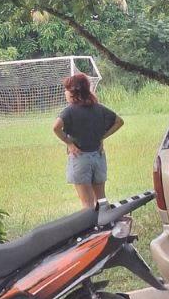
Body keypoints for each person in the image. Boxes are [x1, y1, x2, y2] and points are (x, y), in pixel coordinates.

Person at [52, 73, 125, 208]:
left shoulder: (69, 111)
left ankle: (91, 228)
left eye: (67, 89)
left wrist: (69, 143)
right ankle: (106, 225)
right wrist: (101, 136)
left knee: (87, 203)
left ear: (74, 92)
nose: (65, 92)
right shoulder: (99, 108)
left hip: (80, 158)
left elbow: (56, 127)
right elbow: (119, 121)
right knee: (101, 200)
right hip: (98, 156)